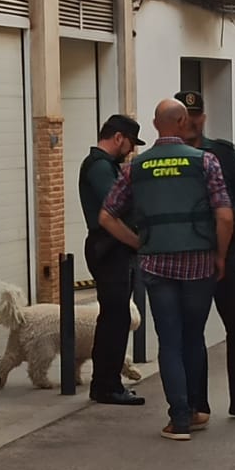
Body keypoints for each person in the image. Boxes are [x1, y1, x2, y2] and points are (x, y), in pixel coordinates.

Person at [97, 99, 233, 441]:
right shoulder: (206, 161)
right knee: (193, 336)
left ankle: (180, 418)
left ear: (156, 126)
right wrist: (220, 255)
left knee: (169, 340)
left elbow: (106, 216)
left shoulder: (135, 167)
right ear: (183, 120)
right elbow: (225, 215)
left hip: (156, 263)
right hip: (199, 262)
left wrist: (137, 243)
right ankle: (198, 408)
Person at [177, 89, 235, 420]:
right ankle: (197, 401)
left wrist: (234, 246)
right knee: (192, 331)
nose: (192, 123)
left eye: (196, 116)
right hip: (190, 257)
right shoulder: (172, 157)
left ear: (203, 118)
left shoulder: (224, 155)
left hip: (226, 255)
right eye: (186, 117)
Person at [77, 113, 145, 407]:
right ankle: (106, 385)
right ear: (118, 137)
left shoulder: (107, 167)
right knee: (114, 320)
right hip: (109, 248)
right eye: (130, 143)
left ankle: (107, 383)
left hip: (115, 249)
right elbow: (113, 210)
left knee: (115, 319)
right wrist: (138, 242)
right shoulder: (100, 167)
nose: (131, 150)